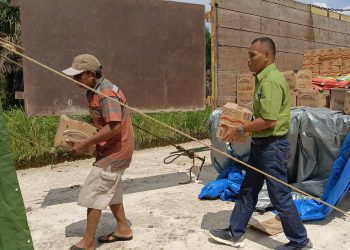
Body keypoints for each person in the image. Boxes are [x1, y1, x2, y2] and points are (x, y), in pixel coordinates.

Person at [209, 38, 313, 250]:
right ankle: (234, 231)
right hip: (261, 145)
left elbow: (269, 120)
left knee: (279, 196)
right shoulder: (262, 78)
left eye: (252, 55)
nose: (248, 60)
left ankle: (300, 241)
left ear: (267, 55)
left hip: (272, 147)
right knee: (248, 189)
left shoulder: (271, 81)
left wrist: (239, 129)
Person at [62, 54, 134, 250]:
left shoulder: (106, 93)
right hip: (110, 148)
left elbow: (115, 128)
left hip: (116, 150)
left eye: (78, 76)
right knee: (111, 190)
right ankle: (124, 229)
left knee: (95, 191)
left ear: (91, 74)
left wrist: (86, 143)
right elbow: (103, 122)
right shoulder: (92, 90)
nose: (75, 80)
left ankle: (88, 241)